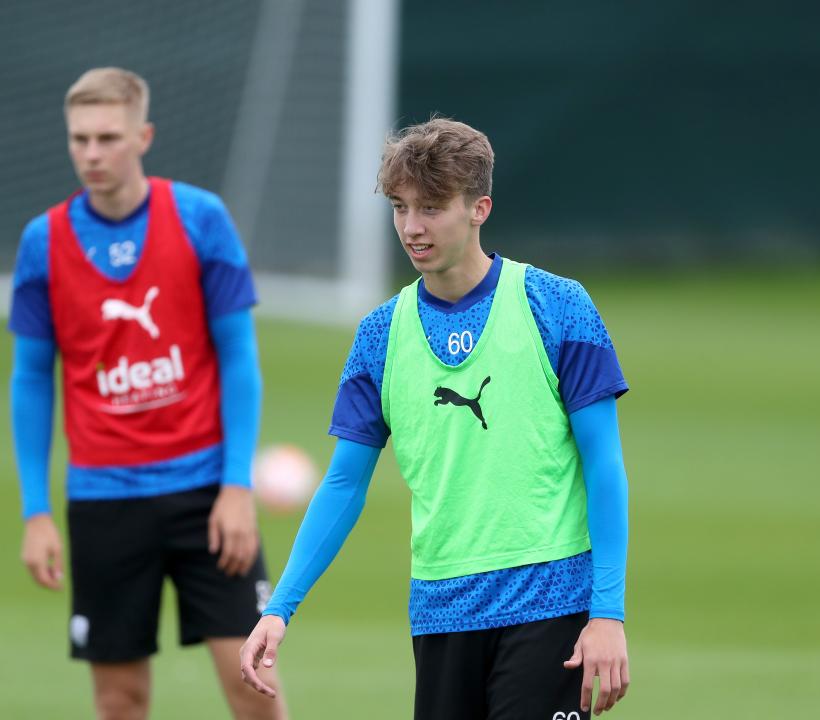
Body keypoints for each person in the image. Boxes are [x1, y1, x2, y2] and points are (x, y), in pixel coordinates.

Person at [240, 118, 630, 718]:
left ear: (480, 208)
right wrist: (279, 607)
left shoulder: (558, 306)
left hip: (550, 605)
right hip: (440, 610)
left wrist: (607, 612)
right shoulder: (379, 335)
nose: (411, 227)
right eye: (399, 207)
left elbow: (603, 465)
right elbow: (344, 482)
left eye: (430, 207)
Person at [9, 67, 287, 720]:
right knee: (119, 701)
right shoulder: (42, 241)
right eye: (80, 139)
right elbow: (29, 379)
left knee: (255, 692)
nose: (92, 154)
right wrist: (34, 511)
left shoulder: (199, 218)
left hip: (205, 498)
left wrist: (237, 487)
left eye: (108, 137)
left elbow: (240, 358)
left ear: (144, 136)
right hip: (103, 501)